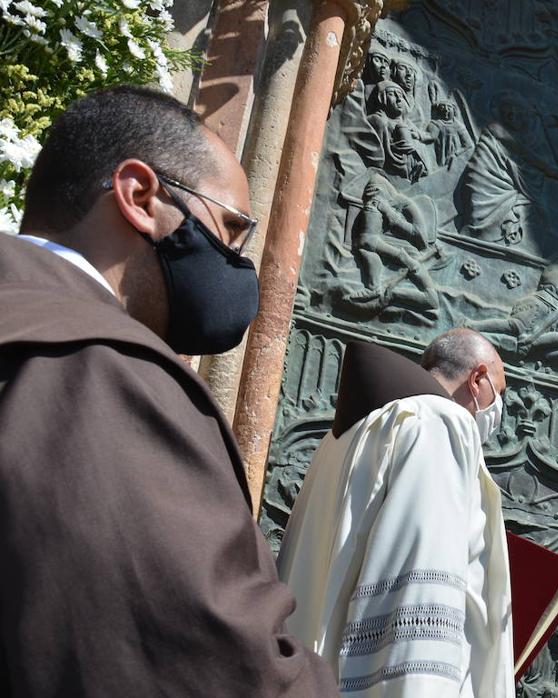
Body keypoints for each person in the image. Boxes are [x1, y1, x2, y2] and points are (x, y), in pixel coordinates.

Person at [0, 86, 336, 694]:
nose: (235, 261)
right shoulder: (99, 371)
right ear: (140, 196)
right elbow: (214, 662)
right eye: (230, 230)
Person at [277, 330, 515, 697]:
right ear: (477, 378)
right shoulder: (442, 424)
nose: (497, 411)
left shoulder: (349, 432)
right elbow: (419, 583)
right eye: (497, 394)